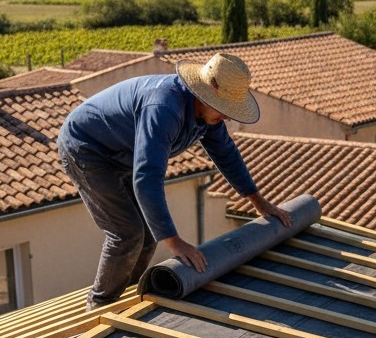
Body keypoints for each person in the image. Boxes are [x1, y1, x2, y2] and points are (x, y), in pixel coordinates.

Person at [56, 52, 289, 309]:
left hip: (121, 154)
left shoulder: (207, 114)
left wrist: (258, 202)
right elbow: (147, 177)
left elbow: (226, 155)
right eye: (224, 109)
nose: (228, 117)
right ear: (206, 92)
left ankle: (129, 297)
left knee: (147, 233)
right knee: (127, 233)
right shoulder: (164, 108)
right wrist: (173, 241)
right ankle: (100, 306)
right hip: (87, 149)